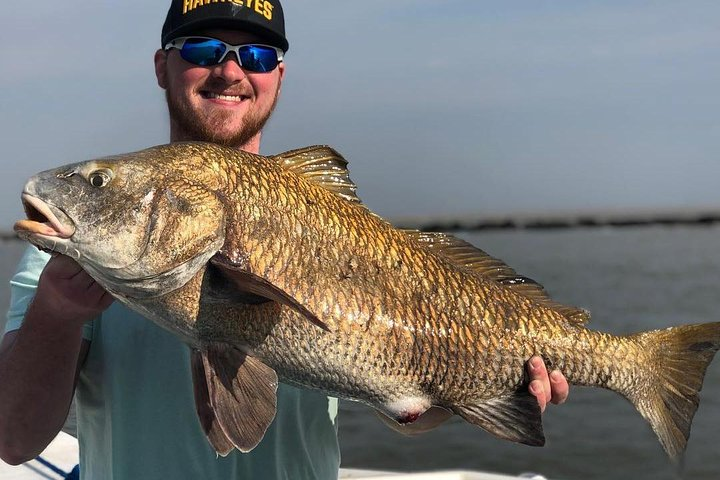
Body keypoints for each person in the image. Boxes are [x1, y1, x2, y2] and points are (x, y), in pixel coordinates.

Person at [0, 1, 569, 478]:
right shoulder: (64, 255)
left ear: (278, 75)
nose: (230, 72)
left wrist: (457, 395)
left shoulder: (336, 234)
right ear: (161, 66)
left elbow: (404, 407)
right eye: (201, 50)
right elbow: (13, 442)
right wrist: (55, 312)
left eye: (256, 55)